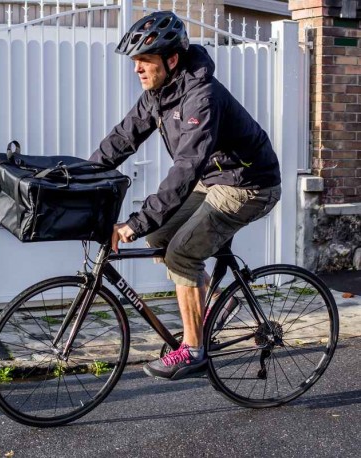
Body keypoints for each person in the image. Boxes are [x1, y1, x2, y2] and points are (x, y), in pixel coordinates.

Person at [90, 11, 281, 380]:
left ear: (171, 59)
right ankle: (213, 310)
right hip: (214, 178)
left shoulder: (201, 98)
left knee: (181, 253)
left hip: (249, 184)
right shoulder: (159, 94)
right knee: (160, 236)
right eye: (135, 62)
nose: (137, 70)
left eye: (144, 61)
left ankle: (193, 350)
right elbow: (121, 139)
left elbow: (185, 169)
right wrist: (81, 180)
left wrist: (134, 222)